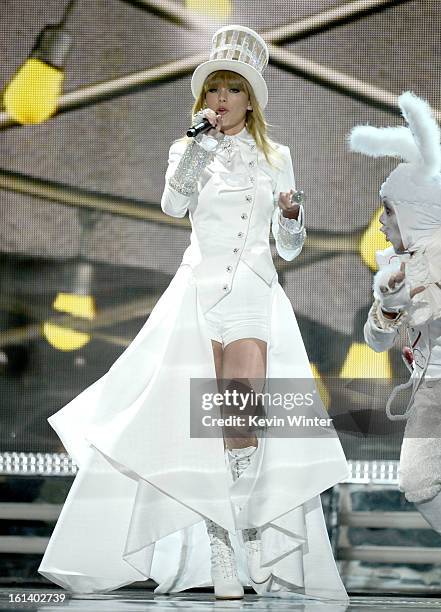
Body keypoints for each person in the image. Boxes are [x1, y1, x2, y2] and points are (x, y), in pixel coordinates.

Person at [38, 25, 349, 602]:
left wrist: (292, 214)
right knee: (200, 423)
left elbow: (288, 247)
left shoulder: (276, 156)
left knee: (242, 409)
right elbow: (173, 203)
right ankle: (222, 544)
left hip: (253, 292)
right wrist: (200, 146)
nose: (222, 99)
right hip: (200, 290)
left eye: (232, 90)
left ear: (251, 99)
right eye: (214, 90)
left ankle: (250, 528)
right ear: (203, 99)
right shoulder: (188, 149)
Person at [349, 91, 441, 533]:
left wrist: (416, 297)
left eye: (388, 211)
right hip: (429, 387)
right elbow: (377, 340)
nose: (382, 222)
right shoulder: (394, 267)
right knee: (418, 483)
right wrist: (387, 307)